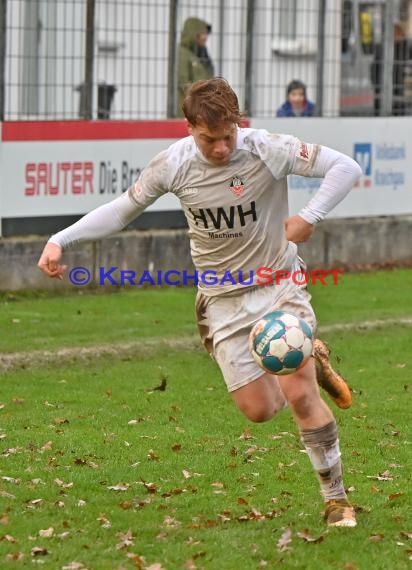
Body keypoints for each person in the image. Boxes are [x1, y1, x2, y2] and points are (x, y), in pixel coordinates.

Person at [38, 78, 362, 527]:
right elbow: (122, 209)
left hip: (278, 284)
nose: (222, 147)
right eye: (210, 139)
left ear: (238, 122)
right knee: (260, 409)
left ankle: (337, 500)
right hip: (223, 301)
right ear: (190, 127)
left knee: (298, 389)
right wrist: (60, 239)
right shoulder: (173, 164)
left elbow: (344, 166)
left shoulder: (266, 147)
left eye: (229, 134)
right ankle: (312, 353)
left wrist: (310, 217)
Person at [371, 22, 412, 116]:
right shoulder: (383, 48)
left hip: (397, 88)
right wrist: (376, 85)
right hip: (383, 88)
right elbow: (374, 67)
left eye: (397, 33)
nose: (396, 36)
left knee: (398, 111)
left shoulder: (405, 47)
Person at [176, 17, 215, 117]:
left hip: (204, 108)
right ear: (193, 34)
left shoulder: (202, 51)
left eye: (206, 34)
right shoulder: (182, 52)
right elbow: (183, 81)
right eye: (203, 33)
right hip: (189, 110)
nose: (205, 37)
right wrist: (200, 97)